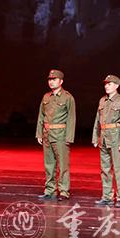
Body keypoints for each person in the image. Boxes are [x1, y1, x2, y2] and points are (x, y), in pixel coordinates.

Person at [35, 69, 76, 201]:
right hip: (47, 134)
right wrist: (39, 133)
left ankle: (64, 191)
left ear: (61, 81)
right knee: (49, 164)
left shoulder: (67, 97)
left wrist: (69, 138)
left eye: (54, 79)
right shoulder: (46, 97)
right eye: (50, 80)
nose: (51, 82)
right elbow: (41, 116)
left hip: (60, 135)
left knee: (63, 165)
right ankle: (50, 190)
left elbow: (71, 118)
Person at [92, 74, 120, 208]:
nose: (106, 86)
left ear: (116, 85)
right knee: (105, 169)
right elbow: (97, 120)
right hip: (103, 138)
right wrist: (95, 137)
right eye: (105, 84)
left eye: (109, 84)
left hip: (115, 138)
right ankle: (107, 196)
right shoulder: (102, 101)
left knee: (119, 168)